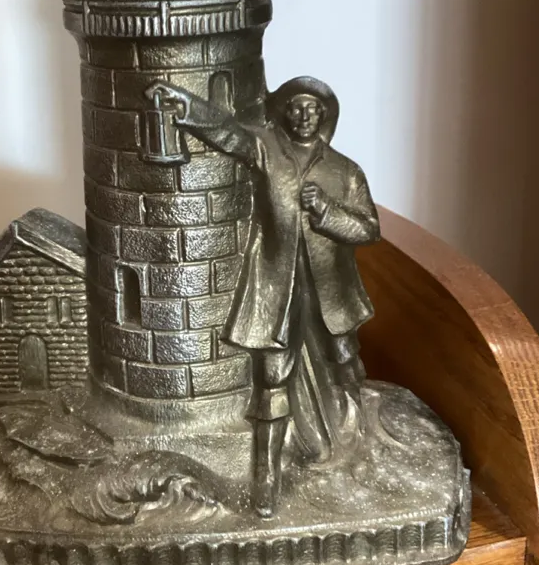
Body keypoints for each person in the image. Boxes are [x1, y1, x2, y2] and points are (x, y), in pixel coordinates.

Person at [145, 76, 380, 516]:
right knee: (271, 381)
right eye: (296, 107)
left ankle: (360, 444)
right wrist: (185, 106)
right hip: (277, 290)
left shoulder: (345, 171)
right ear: (284, 112)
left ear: (325, 116)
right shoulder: (266, 148)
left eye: (313, 109)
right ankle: (265, 480)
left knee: (345, 362)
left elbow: (369, 229)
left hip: (329, 292)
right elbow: (228, 133)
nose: (304, 116)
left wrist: (327, 212)